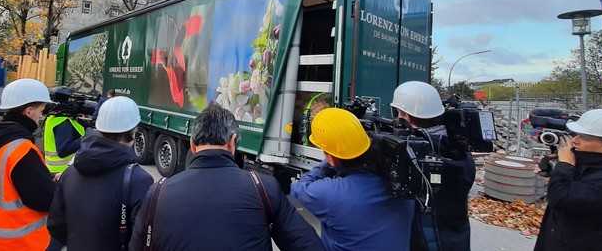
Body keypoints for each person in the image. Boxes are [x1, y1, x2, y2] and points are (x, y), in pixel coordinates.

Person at [129, 103, 323, 251]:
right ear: (232, 143)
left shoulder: (157, 193)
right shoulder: (263, 188)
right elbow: (308, 245)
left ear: (193, 144)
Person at [291, 107, 415, 251]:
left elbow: (298, 188)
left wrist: (329, 160)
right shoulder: (405, 185)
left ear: (330, 156)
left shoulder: (330, 193)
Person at [48, 96, 153, 250]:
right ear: (133, 132)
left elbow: (56, 226)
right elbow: (143, 240)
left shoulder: (69, 173)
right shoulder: (139, 180)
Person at [0, 78, 56, 251]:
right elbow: (44, 200)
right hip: (16, 243)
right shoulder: (21, 149)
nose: (42, 116)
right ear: (29, 111)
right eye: (41, 111)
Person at [391, 81, 476, 251]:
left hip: (426, 239)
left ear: (404, 116)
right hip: (456, 238)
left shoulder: (415, 155)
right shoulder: (458, 149)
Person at [534, 108, 602, 251]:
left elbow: (561, 198)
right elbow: (580, 181)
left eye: (584, 137)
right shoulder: (595, 161)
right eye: (576, 135)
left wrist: (564, 165)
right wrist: (554, 170)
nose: (575, 140)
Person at [43, 87, 86, 174]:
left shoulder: (53, 118)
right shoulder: (61, 121)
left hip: (59, 171)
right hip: (62, 172)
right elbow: (64, 150)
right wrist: (86, 138)